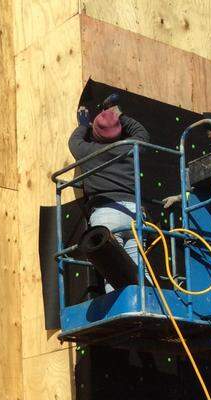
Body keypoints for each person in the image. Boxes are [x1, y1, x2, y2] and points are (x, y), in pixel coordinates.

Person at [68, 97, 151, 288]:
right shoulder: (130, 148)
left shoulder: (88, 151)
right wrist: (119, 115)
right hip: (133, 213)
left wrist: (83, 125)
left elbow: (74, 141)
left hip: (106, 215)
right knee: (139, 272)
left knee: (114, 275)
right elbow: (142, 134)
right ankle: (143, 313)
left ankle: (124, 318)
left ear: (95, 133)